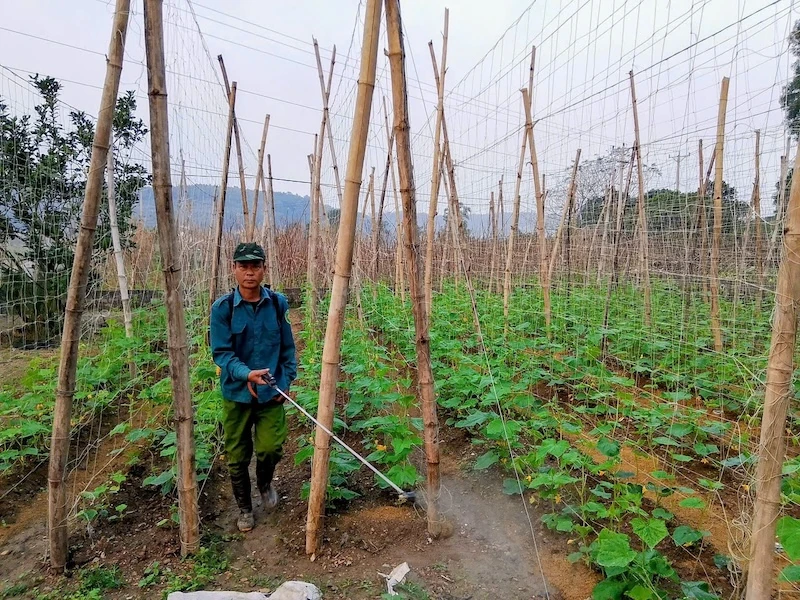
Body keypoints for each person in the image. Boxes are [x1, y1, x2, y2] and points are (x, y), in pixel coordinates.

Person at [210, 242, 297, 532]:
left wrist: (285, 381)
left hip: (271, 393)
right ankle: (245, 509)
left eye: (255, 266)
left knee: (271, 448)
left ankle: (264, 483)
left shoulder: (277, 304)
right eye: (243, 266)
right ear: (234, 269)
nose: (249, 272)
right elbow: (222, 353)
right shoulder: (223, 309)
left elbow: (288, 348)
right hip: (237, 395)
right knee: (236, 456)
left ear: (263, 269)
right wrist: (246, 375)